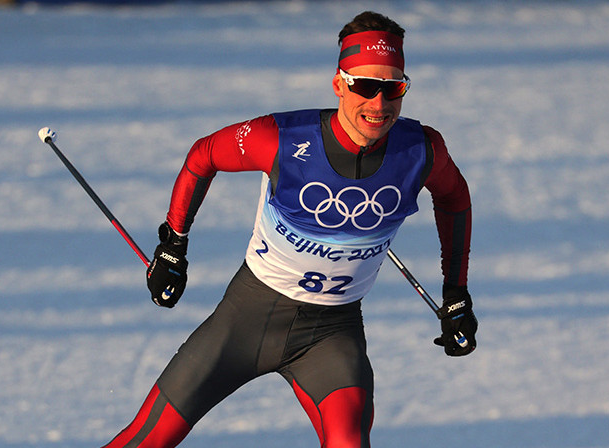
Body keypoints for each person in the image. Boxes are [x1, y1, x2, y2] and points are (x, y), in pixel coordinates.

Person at [102, 11, 478, 448]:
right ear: (339, 84)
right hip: (246, 319)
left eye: (392, 88)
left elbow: (455, 199)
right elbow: (203, 155)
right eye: (364, 86)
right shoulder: (280, 137)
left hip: (332, 335)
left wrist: (456, 293)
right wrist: (173, 244)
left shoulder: (421, 150)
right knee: (146, 441)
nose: (378, 104)